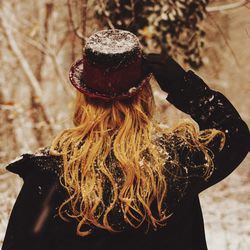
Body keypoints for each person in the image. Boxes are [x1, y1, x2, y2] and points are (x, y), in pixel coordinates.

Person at [2, 29, 249, 250]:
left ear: (84, 99)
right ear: (144, 96)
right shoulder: (177, 164)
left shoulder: (49, 175)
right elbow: (234, 134)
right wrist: (184, 86)